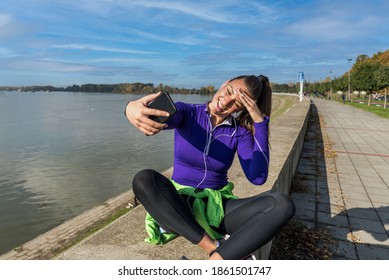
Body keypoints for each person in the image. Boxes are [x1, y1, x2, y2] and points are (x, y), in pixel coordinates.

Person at [124, 75, 295, 260]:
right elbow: (153, 115)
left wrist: (260, 123)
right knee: (144, 179)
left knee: (282, 204)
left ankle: (215, 261)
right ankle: (215, 247)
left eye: (236, 104)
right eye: (228, 92)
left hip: (217, 209)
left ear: (243, 108)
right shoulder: (187, 112)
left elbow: (258, 177)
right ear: (224, 84)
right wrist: (130, 108)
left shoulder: (239, 133)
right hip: (180, 204)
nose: (226, 102)